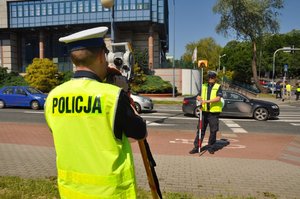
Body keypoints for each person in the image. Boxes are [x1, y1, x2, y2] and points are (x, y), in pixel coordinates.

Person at [44, 27, 147, 199]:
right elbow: (139, 133)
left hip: (71, 192)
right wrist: (124, 94)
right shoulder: (112, 96)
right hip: (111, 193)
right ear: (101, 56)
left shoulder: (53, 96)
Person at [189, 71, 223, 154]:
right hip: (204, 112)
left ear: (215, 78)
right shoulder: (203, 86)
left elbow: (218, 98)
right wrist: (199, 98)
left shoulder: (218, 86)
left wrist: (206, 101)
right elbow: (198, 95)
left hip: (213, 113)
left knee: (213, 131)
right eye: (209, 77)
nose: (210, 79)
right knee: (200, 130)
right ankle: (197, 147)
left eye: (212, 77)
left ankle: (211, 147)